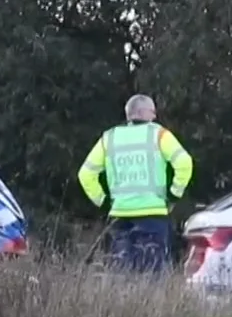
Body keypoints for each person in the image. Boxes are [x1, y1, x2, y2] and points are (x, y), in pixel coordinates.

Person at [77, 94, 194, 272]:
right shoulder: (159, 134)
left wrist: (103, 201)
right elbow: (184, 162)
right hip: (153, 215)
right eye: (153, 112)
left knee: (120, 276)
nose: (155, 116)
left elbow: (86, 173)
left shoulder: (109, 138)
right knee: (151, 277)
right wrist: (173, 194)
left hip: (119, 216)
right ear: (143, 112)